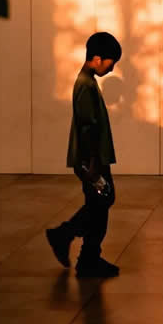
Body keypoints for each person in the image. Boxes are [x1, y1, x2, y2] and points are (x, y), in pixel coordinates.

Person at [46, 32, 122, 277]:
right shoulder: (86, 85)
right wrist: (92, 166)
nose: (111, 69)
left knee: (100, 204)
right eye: (111, 63)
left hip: (92, 159)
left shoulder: (87, 82)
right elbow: (87, 127)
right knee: (100, 204)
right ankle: (65, 236)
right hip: (91, 160)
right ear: (98, 59)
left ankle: (87, 257)